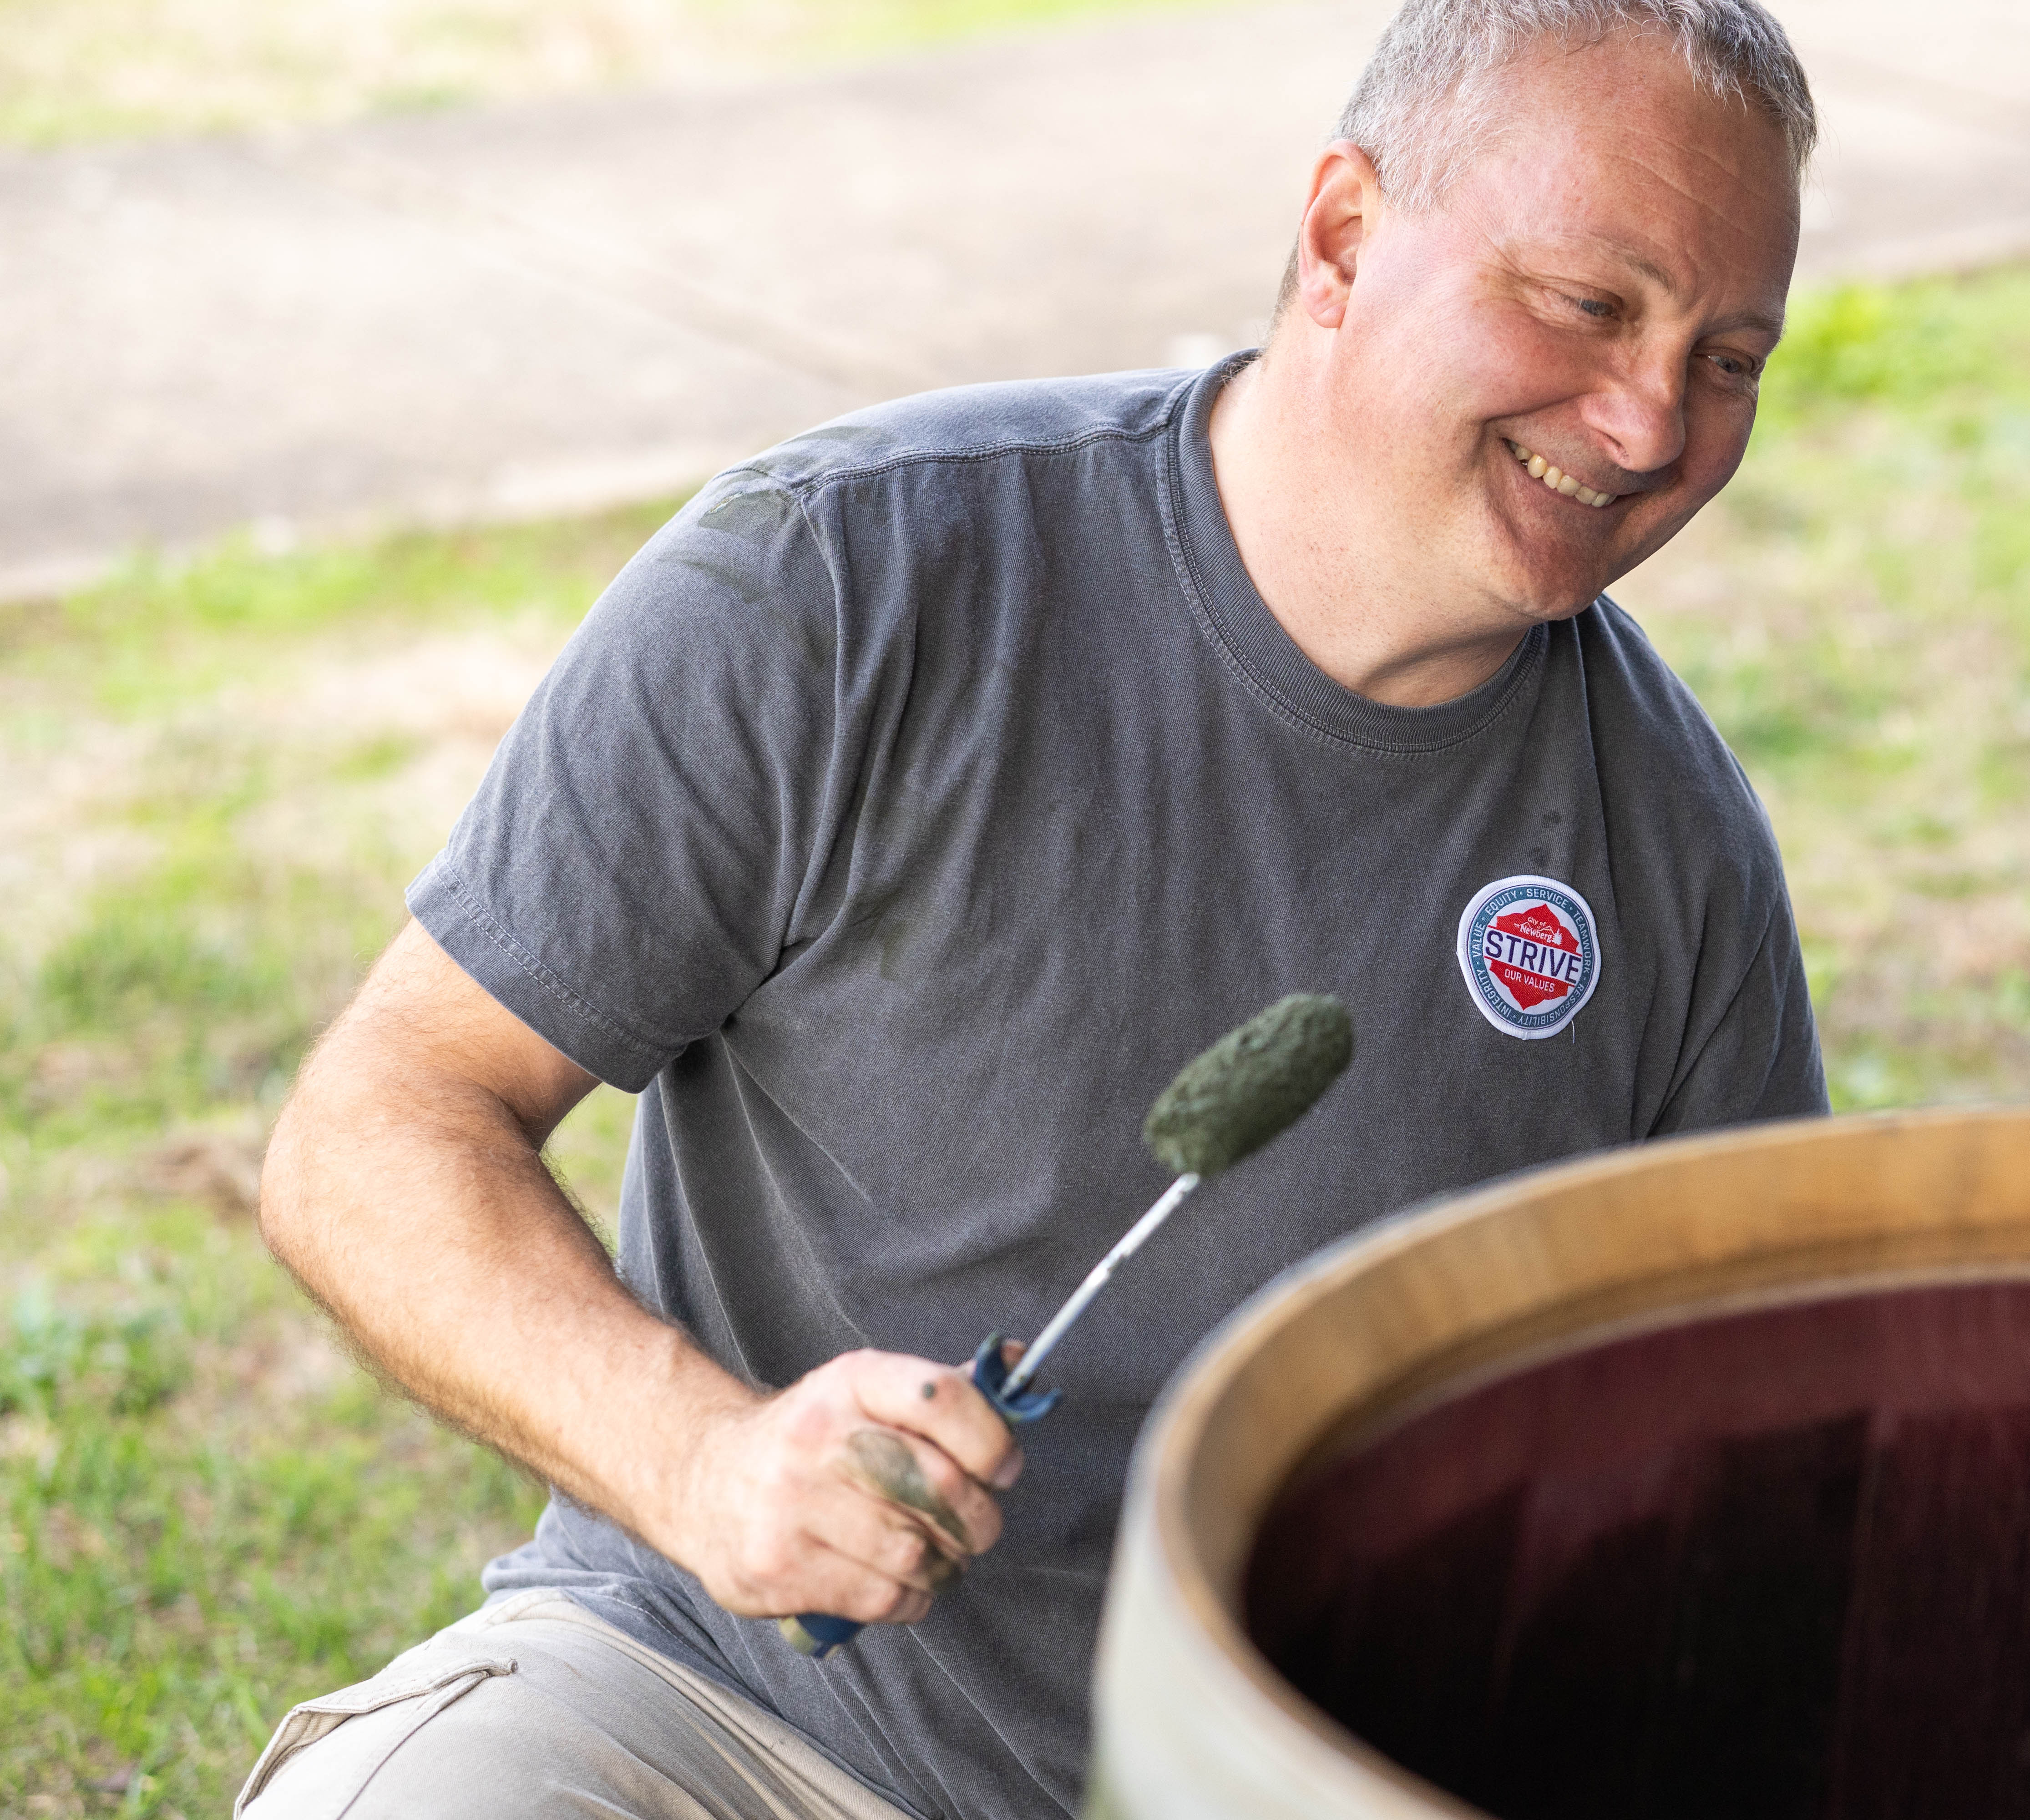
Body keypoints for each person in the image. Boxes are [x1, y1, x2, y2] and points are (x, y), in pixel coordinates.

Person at [240, 0, 1824, 1811]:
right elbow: (377, 1126)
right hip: (726, 1719)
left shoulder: (1675, 854)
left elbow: (1752, 1470)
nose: (1646, 422)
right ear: (1343, 239)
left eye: (1731, 358)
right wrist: (712, 1464)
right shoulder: (852, 583)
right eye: (1590, 306)